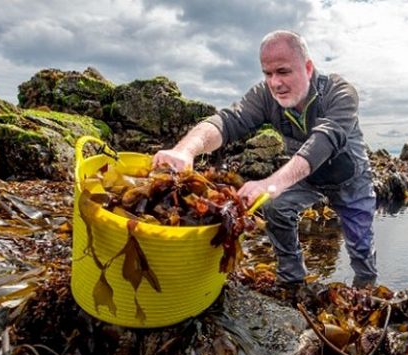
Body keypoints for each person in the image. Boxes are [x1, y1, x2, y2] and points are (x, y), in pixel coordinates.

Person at [152, 30, 377, 289]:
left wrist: (272, 183)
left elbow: (324, 140)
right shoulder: (264, 96)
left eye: (283, 71)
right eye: (267, 74)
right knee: (275, 206)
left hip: (351, 179)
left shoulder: (340, 92)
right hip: (306, 177)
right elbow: (228, 122)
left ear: (307, 67)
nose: (275, 83)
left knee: (361, 245)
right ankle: (292, 282)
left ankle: (366, 289)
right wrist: (185, 150)